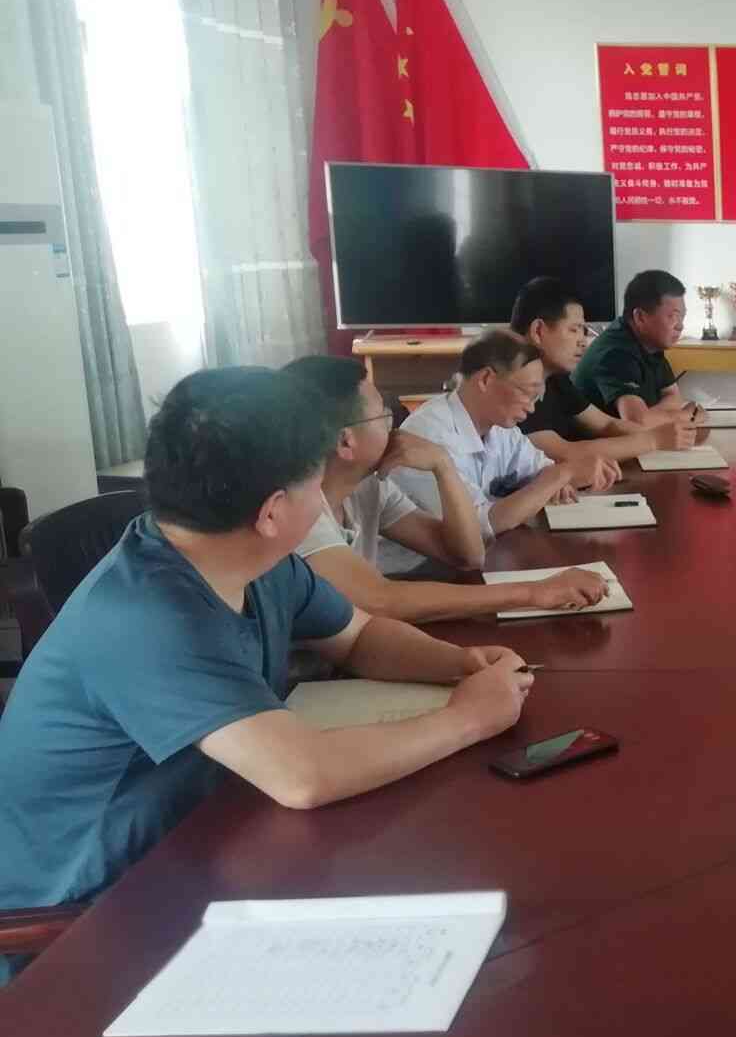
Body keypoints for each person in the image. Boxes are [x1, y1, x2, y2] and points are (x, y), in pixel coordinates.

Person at [0, 367, 535, 947]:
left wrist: (462, 666)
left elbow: (358, 637)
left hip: (212, 836)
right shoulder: (145, 615)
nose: (325, 497)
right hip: (90, 918)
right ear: (273, 512)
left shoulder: (250, 558)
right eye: (316, 482)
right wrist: (468, 718)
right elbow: (301, 776)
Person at [285, 355, 609, 620]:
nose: (393, 426)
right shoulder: (296, 510)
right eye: (382, 417)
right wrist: (534, 592)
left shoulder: (368, 486)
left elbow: (468, 555)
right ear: (345, 441)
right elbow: (383, 600)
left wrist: (444, 467)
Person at [390, 332, 617, 553]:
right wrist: (562, 474)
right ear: (486, 379)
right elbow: (477, 529)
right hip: (417, 568)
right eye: (527, 393)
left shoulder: (499, 427)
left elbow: (542, 470)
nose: (531, 408)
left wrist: (563, 478)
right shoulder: (430, 435)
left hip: (478, 559)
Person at [508, 276, 696, 463]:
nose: (583, 342)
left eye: (583, 331)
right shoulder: (515, 386)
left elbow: (607, 425)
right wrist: (654, 440)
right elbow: (563, 453)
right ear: (538, 331)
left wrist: (665, 435)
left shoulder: (555, 378)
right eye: (574, 329)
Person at [573, 269, 699, 429]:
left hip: (628, 440)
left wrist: (655, 416)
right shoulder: (616, 353)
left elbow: (673, 396)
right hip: (590, 443)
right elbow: (637, 422)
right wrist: (687, 415)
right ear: (640, 317)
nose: (680, 326)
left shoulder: (650, 343)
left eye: (682, 317)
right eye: (672, 316)